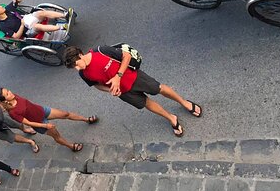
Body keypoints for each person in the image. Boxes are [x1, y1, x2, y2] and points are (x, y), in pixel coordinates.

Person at [63, 44, 202, 137]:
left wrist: (118, 77)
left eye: (76, 64)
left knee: (159, 88)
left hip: (135, 78)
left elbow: (126, 56)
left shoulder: (100, 50)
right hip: (123, 92)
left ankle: (184, 103)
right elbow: (96, 85)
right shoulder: (83, 73)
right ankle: (171, 118)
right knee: (146, 103)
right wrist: (110, 90)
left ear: (80, 55)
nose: (77, 68)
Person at [0, 87, 97, 152]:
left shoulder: (15, 97)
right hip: (40, 124)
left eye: (8, 90)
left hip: (42, 110)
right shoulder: (13, 112)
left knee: (66, 114)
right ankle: (71, 146)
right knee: (57, 136)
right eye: (7, 93)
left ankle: (86, 119)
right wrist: (46, 125)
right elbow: (29, 123)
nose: (10, 92)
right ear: (5, 100)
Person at [0, 0, 69, 39]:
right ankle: (61, 28)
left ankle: (64, 15)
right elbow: (16, 36)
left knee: (41, 13)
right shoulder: (2, 26)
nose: (1, 6)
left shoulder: (8, 9)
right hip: (27, 31)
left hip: (28, 18)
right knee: (37, 26)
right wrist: (22, 25)